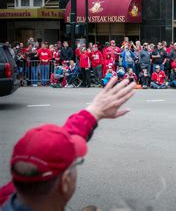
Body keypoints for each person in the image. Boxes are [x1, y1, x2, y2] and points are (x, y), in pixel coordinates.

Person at [0, 76, 135, 209]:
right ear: (65, 181)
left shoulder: (13, 193)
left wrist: (94, 112)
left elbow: (62, 139)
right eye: (75, 162)